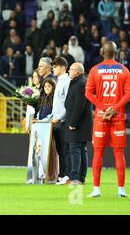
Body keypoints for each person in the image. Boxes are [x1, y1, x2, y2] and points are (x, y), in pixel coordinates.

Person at [85, 41, 130, 198]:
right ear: (116, 52)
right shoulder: (124, 70)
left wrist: (105, 108)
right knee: (119, 153)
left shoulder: (94, 70)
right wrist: (115, 108)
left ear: (102, 52)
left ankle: (96, 189)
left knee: (98, 152)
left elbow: (88, 94)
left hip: (101, 116)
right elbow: (129, 94)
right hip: (118, 116)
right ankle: (121, 190)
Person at [64, 63, 92, 185]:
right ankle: (80, 177)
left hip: (78, 123)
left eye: (71, 69)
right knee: (81, 149)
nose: (69, 71)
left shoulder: (80, 84)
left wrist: (73, 122)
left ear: (78, 72)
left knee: (75, 149)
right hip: (83, 123)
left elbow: (79, 105)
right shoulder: (79, 82)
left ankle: (75, 177)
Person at [50, 57, 71, 185]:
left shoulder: (67, 81)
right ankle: (62, 174)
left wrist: (60, 117)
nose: (53, 69)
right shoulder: (58, 81)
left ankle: (66, 175)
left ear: (63, 67)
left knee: (65, 150)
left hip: (62, 121)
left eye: (55, 67)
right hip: (56, 121)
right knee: (60, 150)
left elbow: (68, 104)